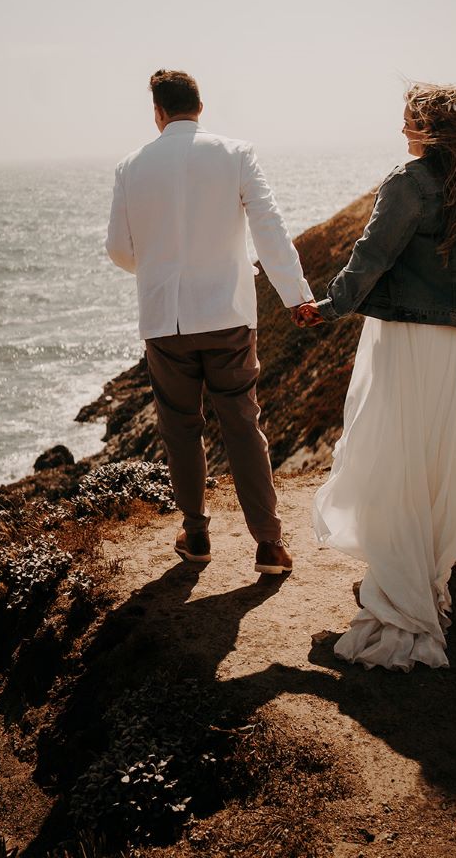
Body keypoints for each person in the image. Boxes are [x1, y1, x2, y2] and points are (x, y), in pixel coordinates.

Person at [297, 82, 456, 670]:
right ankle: (433, 557)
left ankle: (404, 582)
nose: (401, 133)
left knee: (396, 447)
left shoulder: (410, 181)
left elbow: (372, 255)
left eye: (407, 124)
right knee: (446, 448)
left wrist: (329, 307)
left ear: (427, 129)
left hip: (412, 335)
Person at [106, 69, 314, 575]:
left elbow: (118, 250)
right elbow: (269, 227)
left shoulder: (131, 166)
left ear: (157, 112)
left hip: (166, 319)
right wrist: (296, 295)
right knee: (242, 425)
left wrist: (156, 267)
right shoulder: (236, 153)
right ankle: (268, 544)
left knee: (180, 429)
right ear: (200, 106)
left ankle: (196, 535)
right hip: (227, 313)